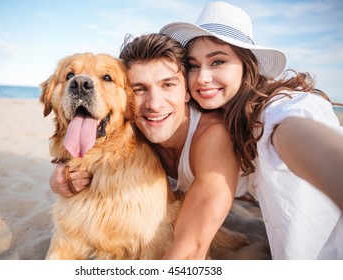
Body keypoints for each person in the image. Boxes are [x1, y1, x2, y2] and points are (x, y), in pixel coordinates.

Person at [160, 1, 343, 259]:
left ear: (247, 65)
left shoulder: (275, 109)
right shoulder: (234, 124)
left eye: (217, 62)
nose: (201, 78)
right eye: (193, 65)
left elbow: (298, 134)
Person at [49, 33, 240, 259]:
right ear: (129, 97)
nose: (154, 104)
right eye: (139, 89)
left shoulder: (213, 137)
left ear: (187, 90)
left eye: (168, 84)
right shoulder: (134, 124)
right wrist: (59, 175)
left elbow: (192, 250)